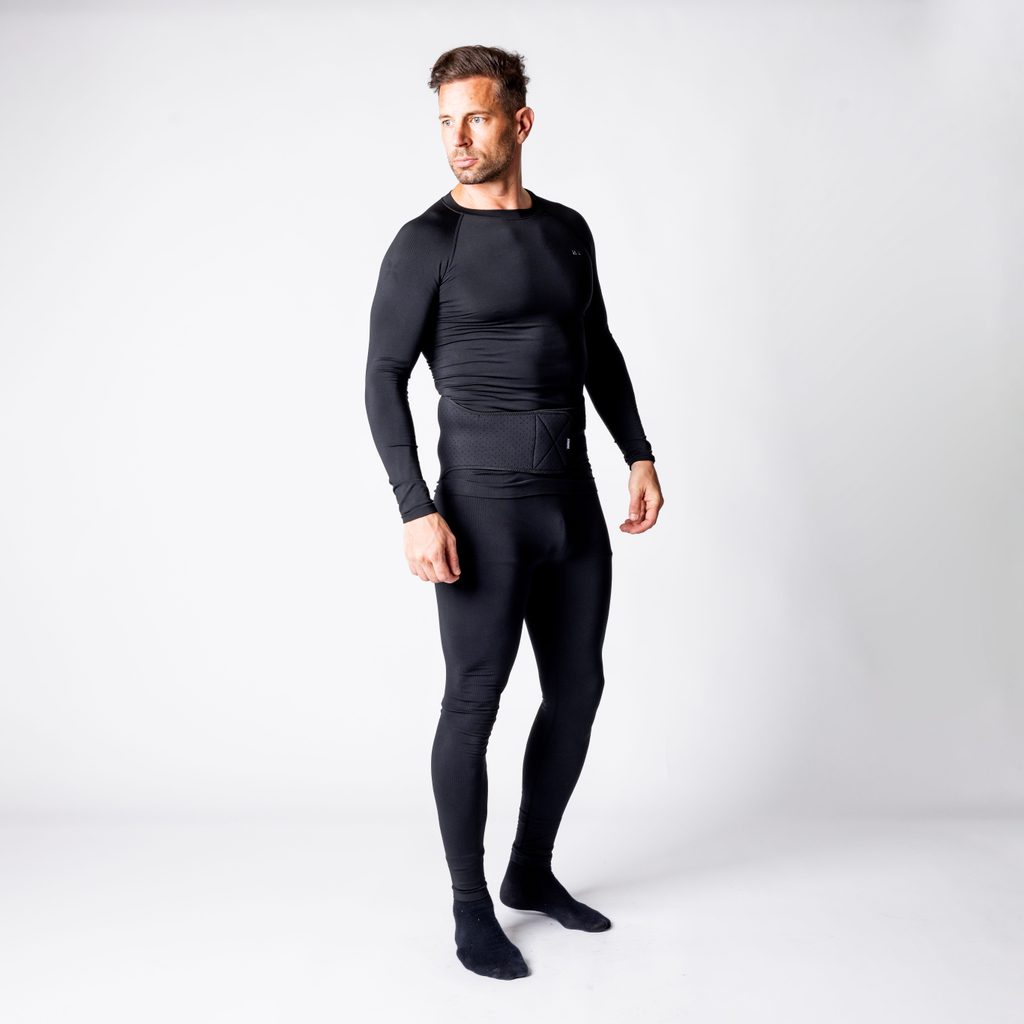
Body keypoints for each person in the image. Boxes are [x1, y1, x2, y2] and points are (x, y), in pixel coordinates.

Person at [364, 43, 664, 981]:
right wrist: (416, 508)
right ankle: (469, 908)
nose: (458, 138)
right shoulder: (427, 242)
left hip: (571, 503)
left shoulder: (567, 231)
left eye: (477, 117)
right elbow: (382, 378)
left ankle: (530, 871)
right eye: (445, 122)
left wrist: (639, 452)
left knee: (579, 691)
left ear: (520, 122)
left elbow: (597, 346)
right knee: (473, 702)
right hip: (480, 513)